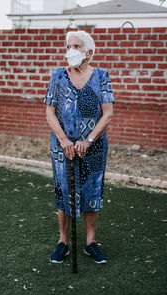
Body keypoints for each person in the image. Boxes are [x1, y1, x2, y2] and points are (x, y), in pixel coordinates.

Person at [44, 30, 115, 264]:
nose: (70, 50)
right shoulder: (58, 75)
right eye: (69, 45)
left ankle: (90, 243)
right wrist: (64, 140)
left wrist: (89, 140)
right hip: (62, 147)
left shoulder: (101, 76)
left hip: (93, 147)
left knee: (92, 193)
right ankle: (62, 242)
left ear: (89, 53)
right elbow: (50, 111)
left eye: (76, 46)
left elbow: (108, 114)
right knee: (64, 191)